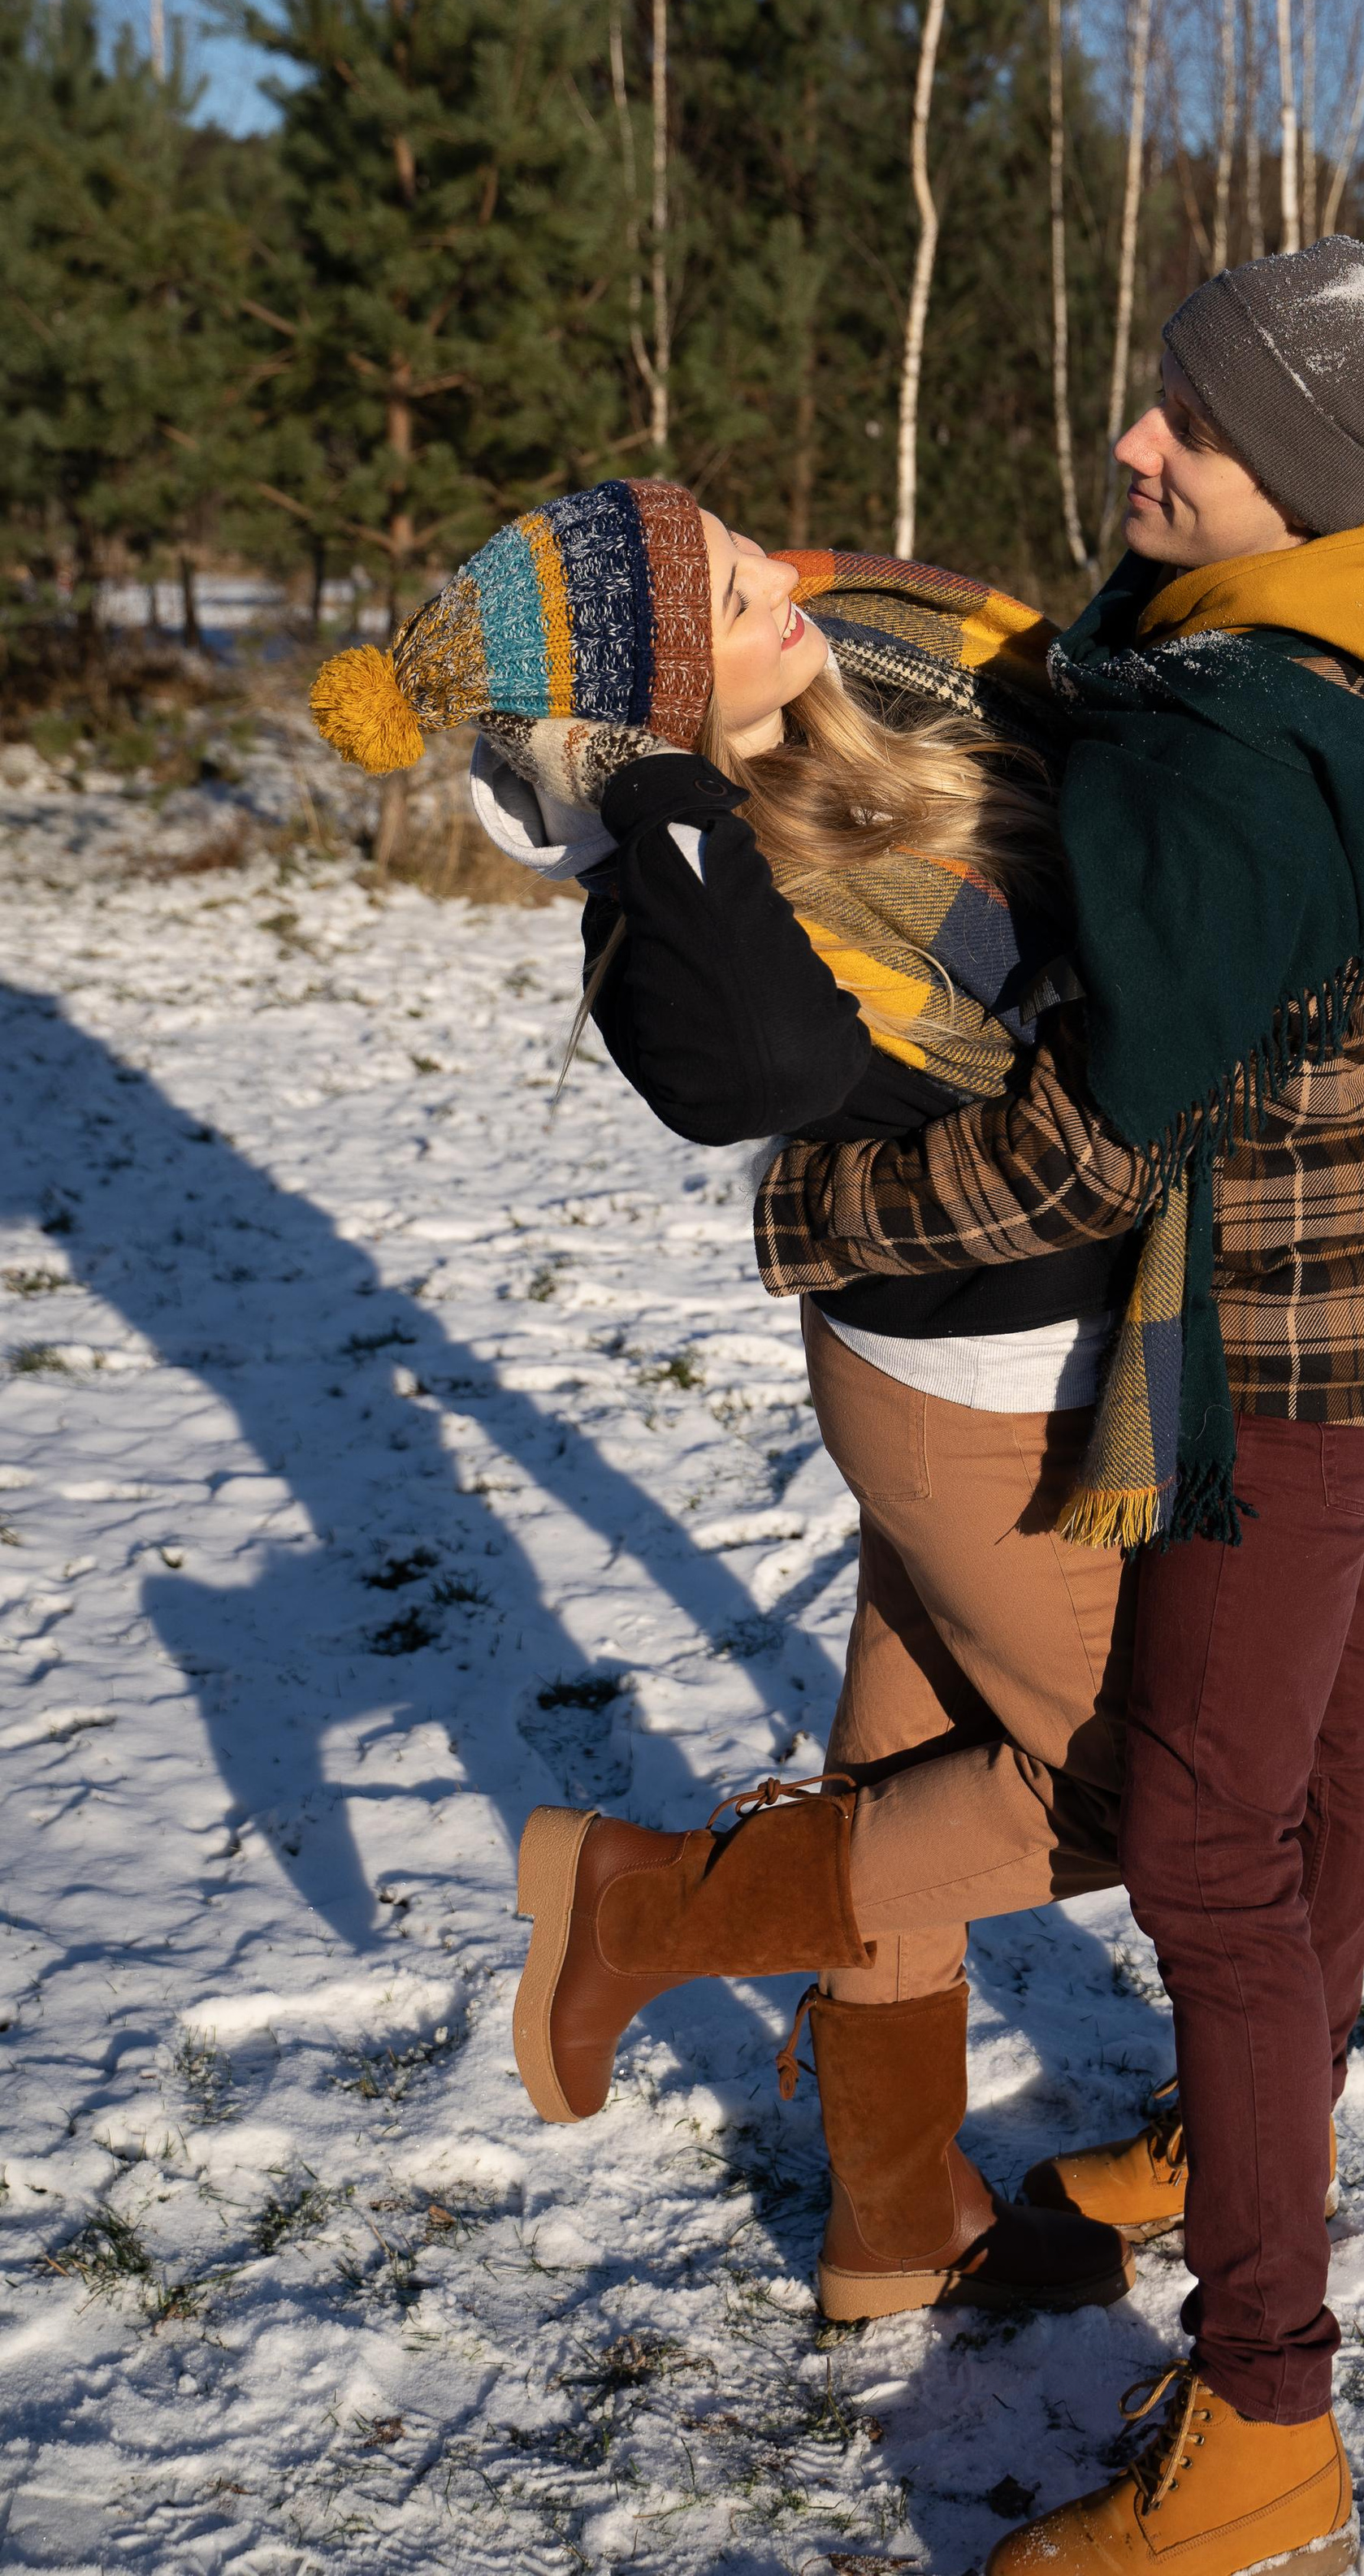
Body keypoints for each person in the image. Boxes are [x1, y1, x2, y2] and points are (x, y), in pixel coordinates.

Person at [752, 236, 1364, 2576]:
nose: (1138, 443)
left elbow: (1090, 1145)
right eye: (1157, 394)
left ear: (1316, 477)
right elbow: (1062, 686)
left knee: (1196, 1851)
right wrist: (873, 618)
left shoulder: (1226, 754)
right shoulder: (1333, 627)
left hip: (1277, 1360)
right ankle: (1229, 2127)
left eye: (1195, 426)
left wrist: (820, 1212)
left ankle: (1267, 2416)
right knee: (1324, 1761)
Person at [310, 483, 1137, 2324]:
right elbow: (755, 1065)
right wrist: (664, 786)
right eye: (729, 604)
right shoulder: (665, 912)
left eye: (751, 557)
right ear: (650, 712)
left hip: (993, 1348)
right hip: (977, 1388)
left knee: (909, 1789)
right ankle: (645, 1905)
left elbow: (1060, 667)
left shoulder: (871, 683)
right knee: (1141, 1791)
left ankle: (891, 2228)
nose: (791, 590)